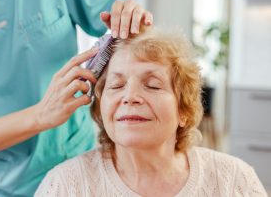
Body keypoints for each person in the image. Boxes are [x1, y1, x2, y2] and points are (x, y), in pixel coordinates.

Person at [0, 0, 153, 196]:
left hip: (81, 161)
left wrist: (131, 19)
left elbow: (133, 31)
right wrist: (40, 115)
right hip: (4, 185)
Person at [35, 26, 268, 196]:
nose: (130, 97)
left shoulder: (235, 181)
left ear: (183, 110)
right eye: (116, 85)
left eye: (153, 85)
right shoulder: (65, 186)